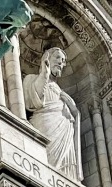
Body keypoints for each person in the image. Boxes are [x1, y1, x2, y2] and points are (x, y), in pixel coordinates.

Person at [24, 47, 83, 180]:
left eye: (63, 60)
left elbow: (74, 115)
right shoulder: (31, 78)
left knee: (66, 173)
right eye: (57, 58)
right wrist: (44, 75)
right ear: (46, 58)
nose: (61, 62)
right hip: (44, 125)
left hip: (65, 133)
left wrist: (74, 111)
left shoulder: (60, 90)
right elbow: (32, 103)